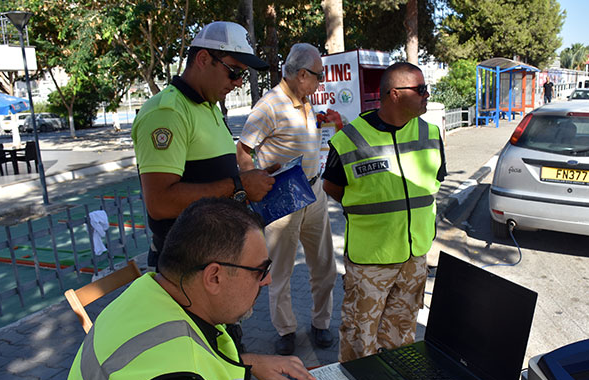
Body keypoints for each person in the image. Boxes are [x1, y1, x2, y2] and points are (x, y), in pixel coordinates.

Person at [59, 198, 316, 380]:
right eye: (260, 270)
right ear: (214, 277)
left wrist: (248, 362)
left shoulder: (146, 292)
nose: (268, 280)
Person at [132, 21, 277, 351]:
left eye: (242, 75)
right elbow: (160, 202)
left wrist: (250, 182)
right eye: (233, 72)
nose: (238, 83)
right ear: (202, 59)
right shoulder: (167, 112)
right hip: (189, 279)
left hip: (218, 271)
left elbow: (214, 179)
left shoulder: (209, 107)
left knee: (226, 364)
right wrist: (238, 185)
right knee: (201, 370)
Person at [322, 62, 446, 362]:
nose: (426, 95)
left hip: (414, 257)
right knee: (358, 337)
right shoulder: (349, 139)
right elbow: (333, 188)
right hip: (370, 263)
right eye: (419, 90)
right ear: (394, 94)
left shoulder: (430, 134)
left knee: (402, 334)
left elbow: (435, 182)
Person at [237, 43, 337, 356]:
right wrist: (254, 186)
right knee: (280, 272)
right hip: (283, 198)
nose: (321, 82)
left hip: (314, 193)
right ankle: (286, 330)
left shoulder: (305, 101)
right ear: (302, 74)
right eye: (318, 76)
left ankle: (320, 323)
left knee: (325, 266)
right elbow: (243, 150)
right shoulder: (269, 105)